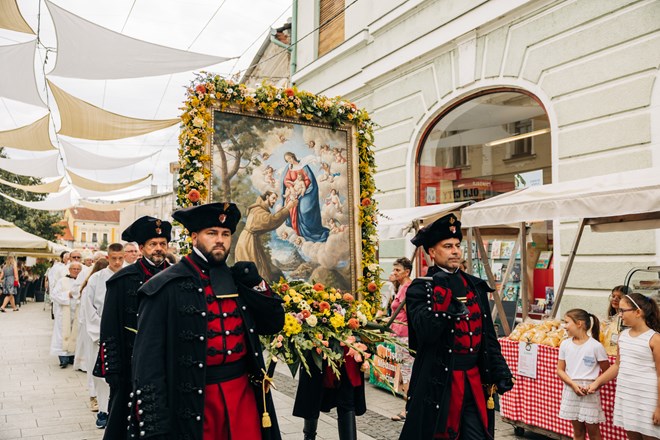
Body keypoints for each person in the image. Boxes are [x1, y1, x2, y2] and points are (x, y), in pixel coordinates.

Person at [128, 202, 284, 440]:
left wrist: (258, 285)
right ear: (194, 237)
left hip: (244, 396)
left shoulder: (238, 280)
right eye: (211, 233)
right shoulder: (164, 287)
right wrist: (154, 426)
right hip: (195, 401)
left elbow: (273, 324)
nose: (220, 239)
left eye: (225, 234)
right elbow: (147, 364)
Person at [401, 213, 514, 439]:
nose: (455, 251)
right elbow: (425, 335)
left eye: (457, 245)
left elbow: (487, 335)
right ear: (432, 252)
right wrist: (443, 307)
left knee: (476, 435)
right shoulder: (419, 289)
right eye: (447, 246)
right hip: (440, 380)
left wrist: (499, 368)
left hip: (473, 379)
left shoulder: (474, 285)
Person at [95, 216, 172, 440]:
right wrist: (113, 371)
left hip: (170, 363)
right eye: (153, 244)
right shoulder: (122, 280)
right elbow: (109, 329)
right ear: (141, 248)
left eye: (162, 244)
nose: (158, 249)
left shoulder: (179, 276)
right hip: (132, 367)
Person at [587, 292, 660, 439]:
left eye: (622, 311)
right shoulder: (623, 336)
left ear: (638, 312)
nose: (619, 314)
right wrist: (596, 383)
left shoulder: (654, 339)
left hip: (647, 398)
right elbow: (617, 366)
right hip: (627, 396)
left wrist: (659, 407)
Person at [83, 244, 124, 429]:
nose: (117, 262)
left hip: (123, 333)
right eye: (113, 258)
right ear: (108, 258)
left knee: (120, 372)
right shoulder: (96, 280)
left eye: (120, 258)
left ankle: (118, 410)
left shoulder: (128, 276)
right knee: (101, 373)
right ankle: (103, 410)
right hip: (100, 332)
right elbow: (88, 307)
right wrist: (101, 331)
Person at [557, 309, 609, 440]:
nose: (564, 325)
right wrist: (573, 385)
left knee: (594, 432)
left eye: (567, 322)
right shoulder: (565, 344)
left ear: (579, 323)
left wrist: (594, 386)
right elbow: (560, 370)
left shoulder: (596, 346)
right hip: (571, 389)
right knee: (578, 431)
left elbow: (607, 371)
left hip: (589, 392)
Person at [235, 190, 296, 283]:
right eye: (273, 198)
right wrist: (287, 208)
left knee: (259, 268)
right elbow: (271, 221)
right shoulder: (258, 210)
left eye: (276, 199)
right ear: (267, 197)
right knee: (253, 270)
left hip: (249, 240)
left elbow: (270, 219)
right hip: (247, 243)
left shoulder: (260, 209)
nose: (274, 201)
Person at [78, 258, 109, 413]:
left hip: (102, 328)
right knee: (94, 363)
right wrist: (98, 330)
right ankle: (94, 396)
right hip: (92, 330)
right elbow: (88, 309)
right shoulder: (92, 283)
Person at [281, 151, 329, 242]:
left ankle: (310, 230)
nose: (290, 161)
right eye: (287, 160)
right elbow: (286, 180)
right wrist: (291, 188)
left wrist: (300, 190)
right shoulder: (289, 168)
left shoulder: (303, 166)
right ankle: (297, 230)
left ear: (293, 156)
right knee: (289, 204)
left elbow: (308, 180)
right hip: (293, 191)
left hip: (306, 191)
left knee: (304, 210)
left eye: (290, 158)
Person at [388, 257, 414, 422]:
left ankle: (408, 410)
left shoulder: (407, 288)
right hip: (399, 334)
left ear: (407, 272)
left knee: (407, 373)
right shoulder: (402, 287)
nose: (394, 272)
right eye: (394, 269)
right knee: (406, 373)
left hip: (404, 336)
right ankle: (408, 408)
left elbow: (409, 313)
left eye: (398, 270)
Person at [50, 262, 83, 368]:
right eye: (74, 268)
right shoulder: (62, 281)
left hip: (77, 311)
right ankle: (63, 358)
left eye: (78, 269)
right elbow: (54, 295)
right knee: (62, 334)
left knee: (75, 334)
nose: (76, 271)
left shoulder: (83, 281)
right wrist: (68, 295)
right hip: (64, 312)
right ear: (69, 269)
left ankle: (72, 356)